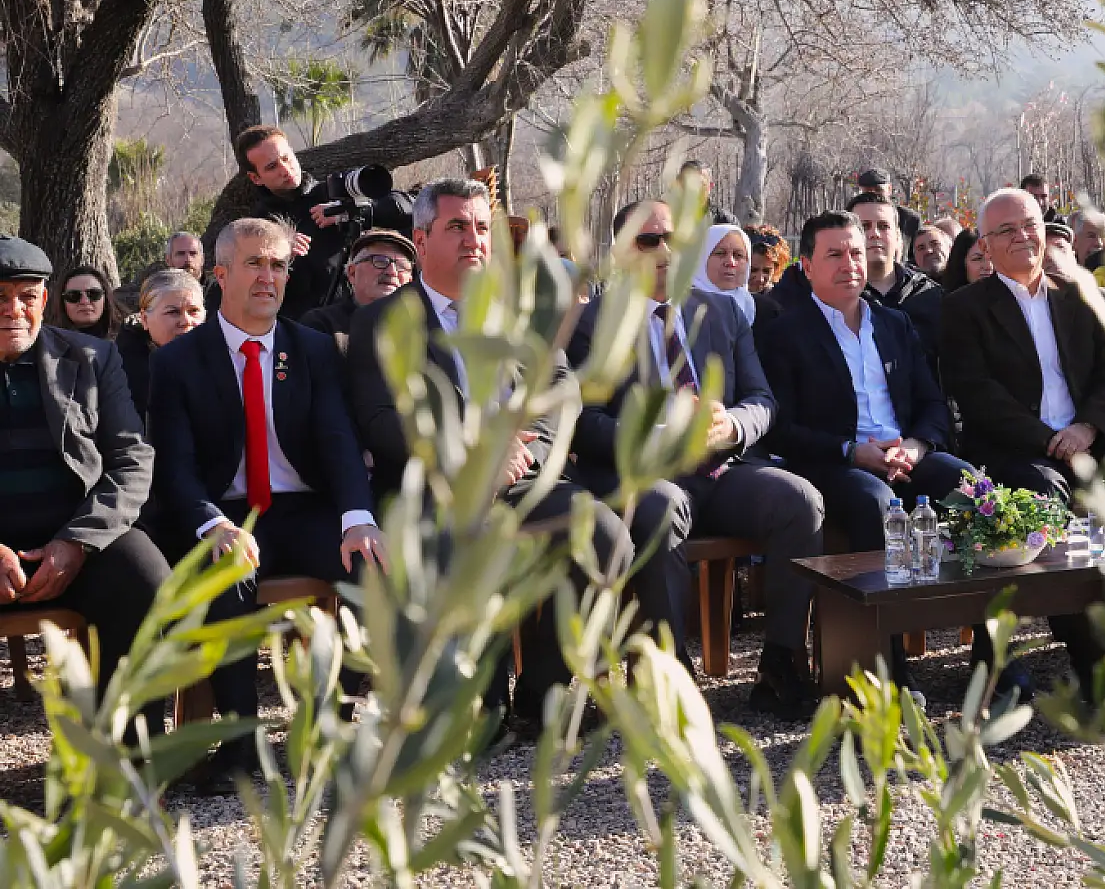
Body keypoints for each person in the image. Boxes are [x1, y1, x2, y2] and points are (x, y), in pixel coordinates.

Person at [346, 179, 634, 744]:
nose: (474, 240)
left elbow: (561, 390)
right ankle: (479, 701)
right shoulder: (382, 320)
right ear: (421, 238)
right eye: (457, 227)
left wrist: (529, 452)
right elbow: (382, 418)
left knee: (603, 536)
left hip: (523, 475)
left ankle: (542, 695)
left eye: (482, 227)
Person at [148, 217, 386, 790]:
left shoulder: (313, 348)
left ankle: (337, 725)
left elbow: (337, 440)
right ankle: (240, 749)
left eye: (278, 264)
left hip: (302, 507)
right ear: (220, 274)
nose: (269, 276)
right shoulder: (180, 359)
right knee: (228, 573)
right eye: (255, 263)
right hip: (224, 514)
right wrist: (213, 524)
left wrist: (358, 517)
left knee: (370, 563)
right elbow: (173, 467)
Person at [566, 199, 824, 720]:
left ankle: (780, 662)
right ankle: (669, 672)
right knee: (658, 506)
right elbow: (584, 421)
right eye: (648, 241)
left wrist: (732, 424)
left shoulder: (722, 311)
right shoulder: (592, 321)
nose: (665, 252)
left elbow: (762, 400)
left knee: (800, 500)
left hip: (721, 466)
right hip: (642, 472)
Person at [758, 211, 973, 691]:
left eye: (855, 252)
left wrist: (917, 447)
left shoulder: (894, 324)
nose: (849, 263)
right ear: (808, 267)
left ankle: (991, 657)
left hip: (905, 455)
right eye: (834, 254)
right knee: (877, 503)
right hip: (834, 464)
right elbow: (779, 429)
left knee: (972, 488)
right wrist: (852, 451)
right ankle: (888, 667)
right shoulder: (786, 333)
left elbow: (933, 404)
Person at [939, 188, 1105, 688]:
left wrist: (1088, 427)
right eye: (1005, 231)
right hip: (1012, 448)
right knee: (1046, 497)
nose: (1022, 236)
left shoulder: (1078, 294)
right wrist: (1047, 439)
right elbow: (977, 394)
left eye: (1030, 224)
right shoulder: (964, 308)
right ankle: (1087, 660)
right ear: (986, 247)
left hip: (1086, 441)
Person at [0, 237, 168, 736]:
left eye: (27, 296)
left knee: (146, 583)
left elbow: (131, 458)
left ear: (44, 301)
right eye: (0, 296)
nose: (14, 310)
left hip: (79, 531)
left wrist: (77, 542)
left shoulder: (93, 358)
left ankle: (126, 763)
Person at [235, 124, 412, 318]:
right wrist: (277, 254)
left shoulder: (332, 192)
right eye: (272, 167)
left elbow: (411, 207)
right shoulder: (257, 228)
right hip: (304, 331)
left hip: (362, 317)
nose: (285, 170)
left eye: (286, 158)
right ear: (256, 178)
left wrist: (355, 211)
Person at [850, 192, 944, 374]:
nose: (874, 234)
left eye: (883, 226)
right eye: (864, 227)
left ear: (898, 237)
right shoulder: (835, 301)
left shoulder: (931, 296)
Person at [299, 229, 415, 352]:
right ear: (352, 273)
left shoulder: (424, 331)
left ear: (410, 281)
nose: (392, 272)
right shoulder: (321, 325)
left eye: (401, 266)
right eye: (380, 261)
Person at [115, 269, 205, 425]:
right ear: (144, 319)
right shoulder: (118, 372)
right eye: (173, 312)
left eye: (194, 311)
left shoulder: (224, 359)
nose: (186, 321)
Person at [856, 168, 922, 253]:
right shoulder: (854, 218)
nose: (873, 197)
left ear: (889, 189)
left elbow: (918, 255)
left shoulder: (910, 219)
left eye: (878, 190)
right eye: (868, 192)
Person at [50, 265, 116, 340]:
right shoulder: (46, 343)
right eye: (73, 296)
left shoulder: (127, 338)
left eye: (93, 294)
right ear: (62, 303)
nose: (85, 301)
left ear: (106, 298)